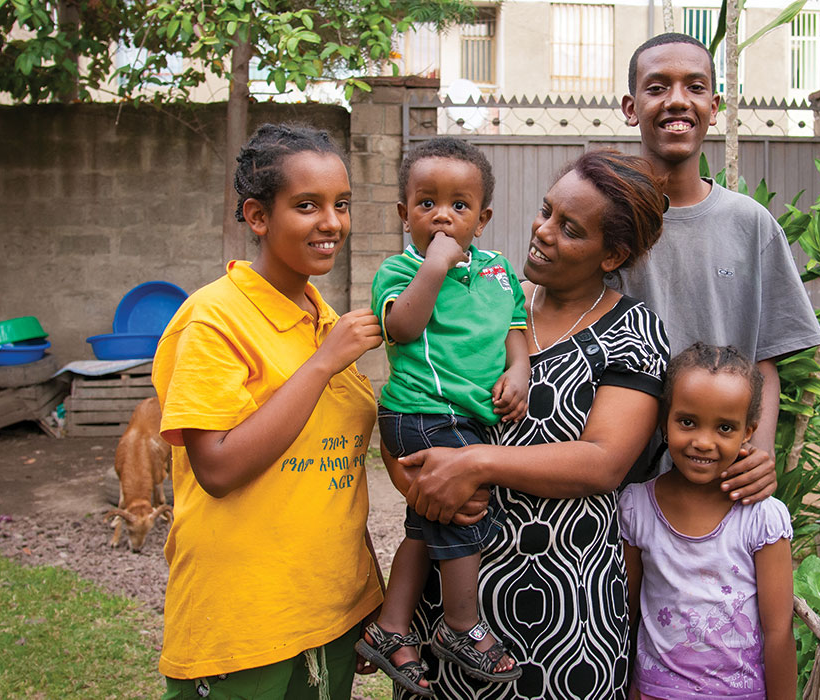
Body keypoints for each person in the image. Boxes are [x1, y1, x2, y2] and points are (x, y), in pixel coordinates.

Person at [388, 149, 671, 700]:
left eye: (570, 229)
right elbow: (413, 398)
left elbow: (603, 462)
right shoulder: (483, 298)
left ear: (612, 255)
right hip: (452, 596)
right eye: (546, 211)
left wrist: (473, 463)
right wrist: (414, 478)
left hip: (566, 610)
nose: (542, 231)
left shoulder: (632, 331)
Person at [151, 123, 384, 700]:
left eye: (341, 204)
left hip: (330, 613)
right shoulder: (213, 319)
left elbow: (337, 477)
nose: (332, 223)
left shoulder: (325, 322)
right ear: (258, 216)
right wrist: (322, 365)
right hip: (242, 620)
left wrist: (370, 595)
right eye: (307, 206)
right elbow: (218, 468)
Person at [618, 32, 820, 498]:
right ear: (631, 108)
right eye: (657, 87)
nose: (677, 100)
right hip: (619, 484)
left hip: (721, 484)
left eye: (694, 87)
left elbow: (764, 359)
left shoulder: (751, 224)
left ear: (714, 107)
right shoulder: (609, 220)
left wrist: (761, 449)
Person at [358, 137, 529, 696]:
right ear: (404, 212)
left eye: (459, 205)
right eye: (426, 202)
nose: (442, 215)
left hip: (468, 417)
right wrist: (434, 265)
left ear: (482, 219)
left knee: (425, 522)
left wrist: (520, 368)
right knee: (461, 519)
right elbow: (402, 327)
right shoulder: (399, 269)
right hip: (422, 410)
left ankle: (390, 626)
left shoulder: (499, 270)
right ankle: (460, 624)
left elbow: (515, 325)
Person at [620, 343, 795, 700]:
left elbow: (779, 632)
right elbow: (626, 617)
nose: (703, 442)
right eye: (687, 422)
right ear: (664, 422)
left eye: (725, 428)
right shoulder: (637, 508)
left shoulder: (761, 518)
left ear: (748, 432)